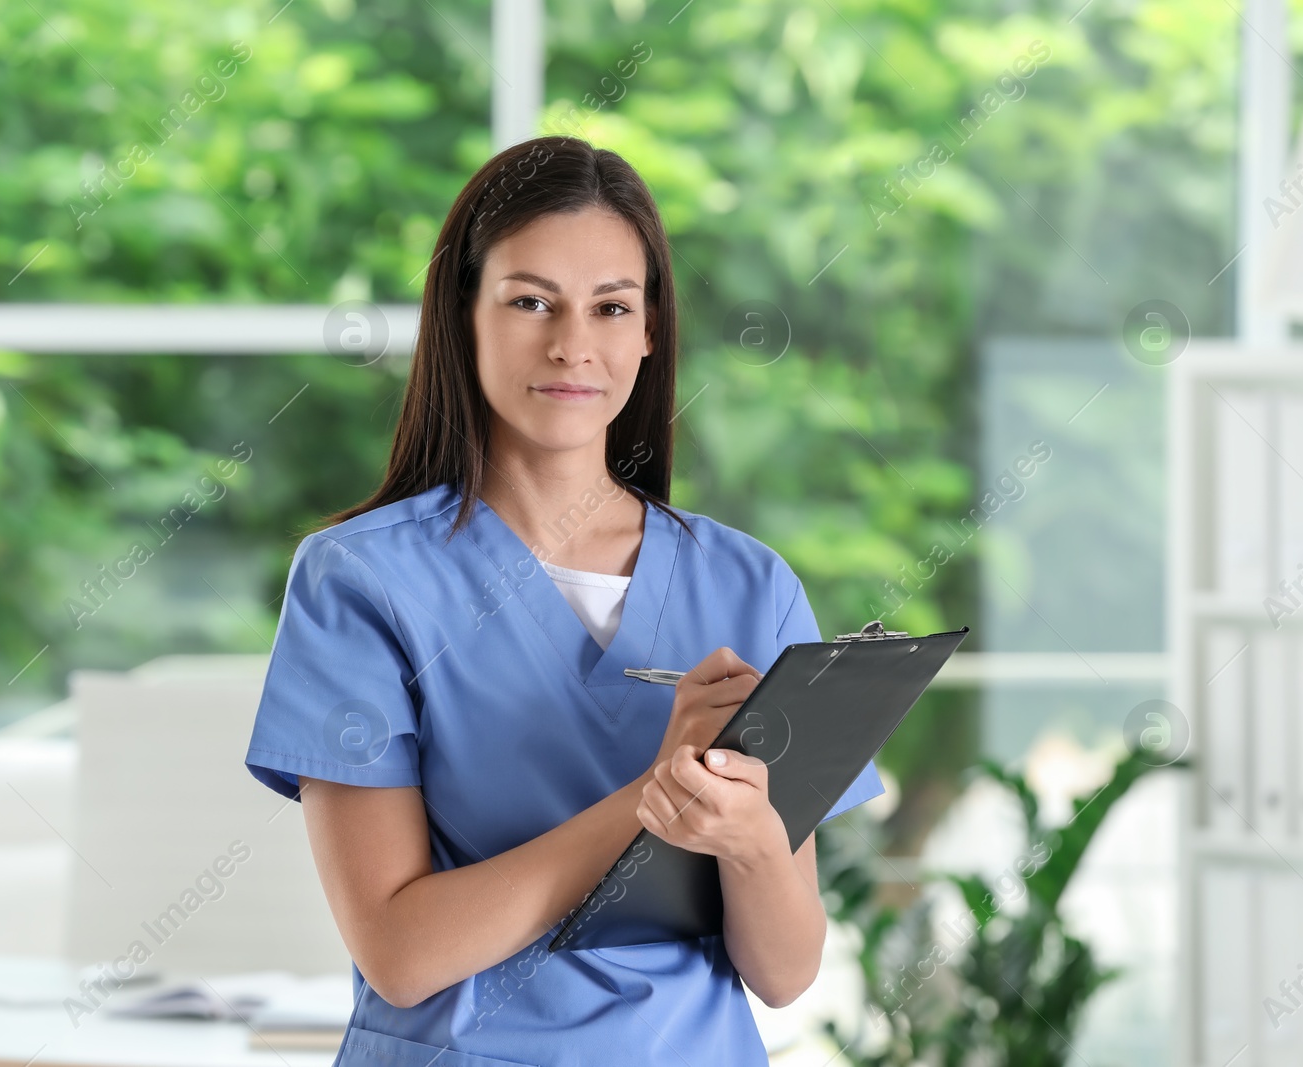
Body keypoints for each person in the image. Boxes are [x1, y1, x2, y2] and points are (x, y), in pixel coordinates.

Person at [243, 135, 884, 1067]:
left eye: (611, 306)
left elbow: (785, 972)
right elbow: (401, 951)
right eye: (530, 300)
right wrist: (655, 794)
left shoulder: (752, 586)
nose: (573, 344)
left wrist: (747, 839)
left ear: (651, 329)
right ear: (463, 313)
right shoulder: (359, 581)